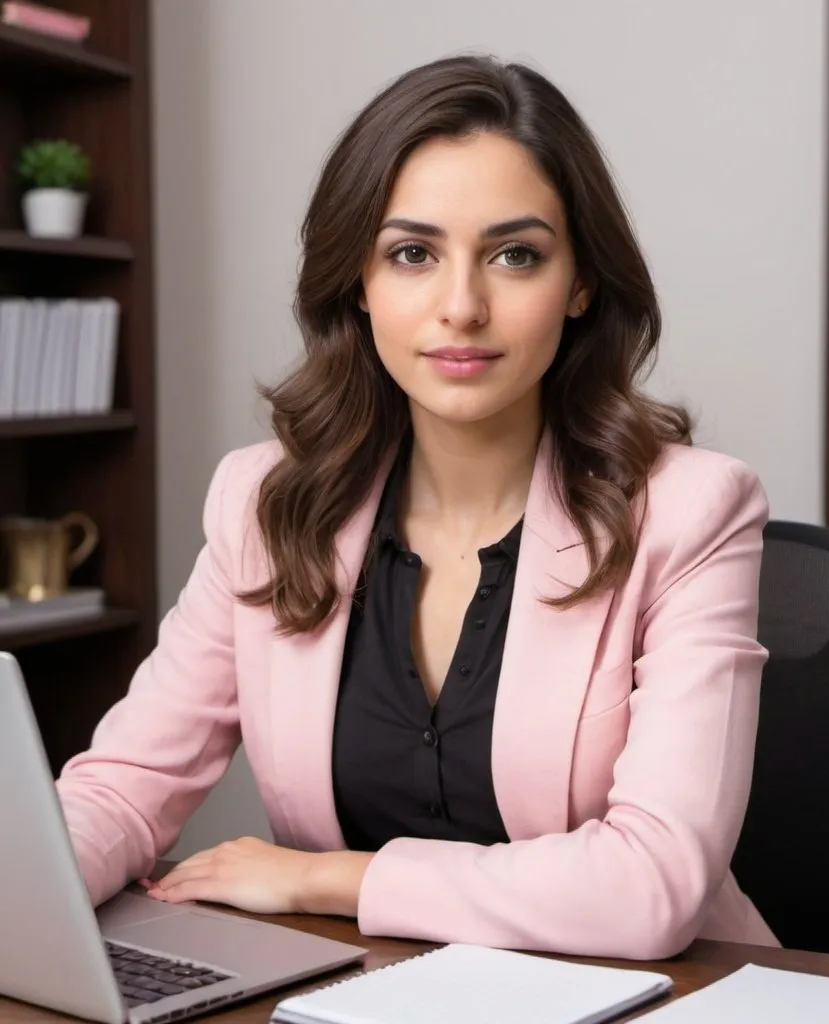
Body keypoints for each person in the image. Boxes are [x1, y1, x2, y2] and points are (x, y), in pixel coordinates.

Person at [55, 54, 777, 961]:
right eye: (412, 254)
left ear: (581, 282)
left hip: (648, 1000)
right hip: (364, 999)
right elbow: (122, 787)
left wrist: (330, 877)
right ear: (359, 282)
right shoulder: (267, 503)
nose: (462, 306)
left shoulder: (689, 512)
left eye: (517, 256)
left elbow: (651, 889)